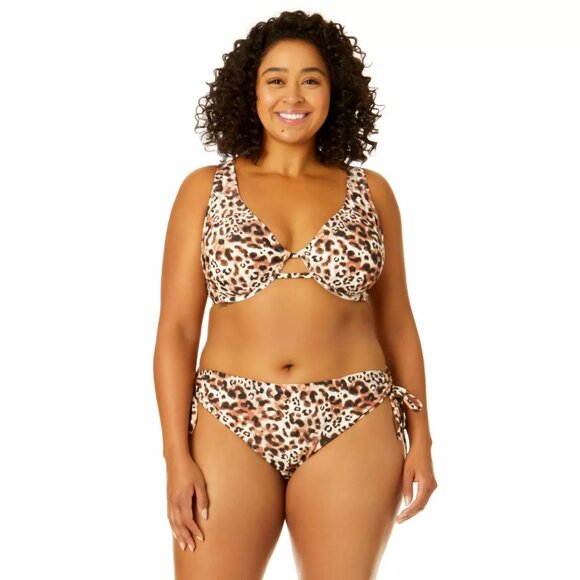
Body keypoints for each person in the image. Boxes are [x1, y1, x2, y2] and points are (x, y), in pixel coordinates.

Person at [153, 9, 437, 579]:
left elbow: (398, 323)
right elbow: (178, 331)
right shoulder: (204, 189)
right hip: (230, 414)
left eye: (311, 79)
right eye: (275, 79)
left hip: (354, 415)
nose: (293, 95)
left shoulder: (372, 192)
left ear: (335, 92)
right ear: (251, 91)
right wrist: (175, 456)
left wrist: (422, 438)